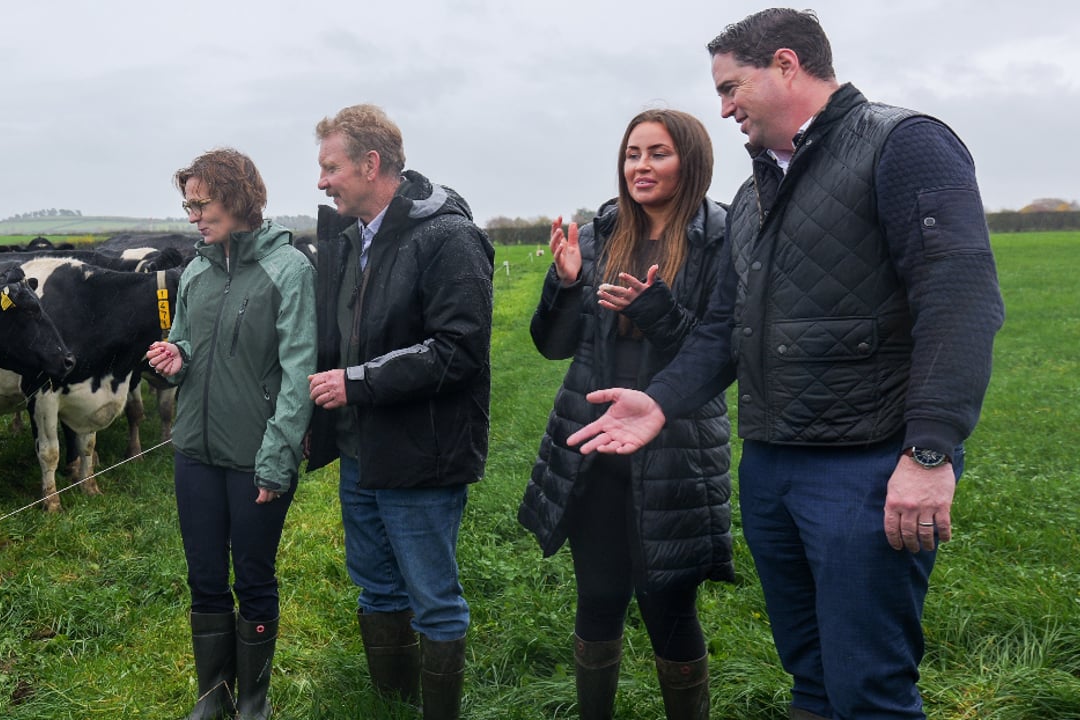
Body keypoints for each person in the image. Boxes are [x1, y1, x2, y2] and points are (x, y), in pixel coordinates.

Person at [568, 9, 1004, 720]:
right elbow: (721, 332)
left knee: (868, 689)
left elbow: (960, 302)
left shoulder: (904, 145)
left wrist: (930, 451)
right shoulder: (752, 195)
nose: (723, 107)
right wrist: (661, 400)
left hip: (863, 469)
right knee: (810, 680)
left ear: (786, 64)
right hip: (771, 468)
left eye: (732, 86)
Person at [519, 109, 733, 720]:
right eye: (632, 153)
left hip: (676, 451)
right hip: (591, 445)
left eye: (658, 153)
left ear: (690, 161)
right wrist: (562, 286)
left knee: (669, 604)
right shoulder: (595, 236)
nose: (641, 166)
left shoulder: (719, 239)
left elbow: (719, 349)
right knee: (599, 596)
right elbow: (554, 345)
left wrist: (657, 311)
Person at [305, 103, 494, 720]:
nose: (322, 180)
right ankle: (390, 703)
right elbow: (334, 337)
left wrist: (357, 383)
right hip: (361, 450)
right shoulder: (346, 239)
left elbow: (458, 350)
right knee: (376, 584)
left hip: (422, 451)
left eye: (331, 167)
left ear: (371, 163)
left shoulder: (448, 237)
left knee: (433, 598)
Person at [146, 147, 316, 720]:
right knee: (204, 577)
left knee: (254, 576)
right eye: (188, 205)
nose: (193, 216)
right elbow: (190, 344)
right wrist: (176, 354)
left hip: (256, 456)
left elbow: (299, 373)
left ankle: (253, 700)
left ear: (239, 198)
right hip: (194, 449)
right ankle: (212, 695)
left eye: (202, 203)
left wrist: (277, 457)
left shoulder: (288, 270)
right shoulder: (195, 270)